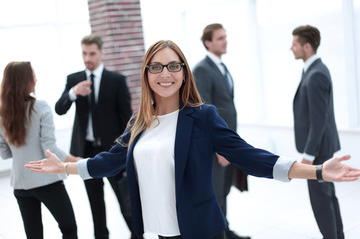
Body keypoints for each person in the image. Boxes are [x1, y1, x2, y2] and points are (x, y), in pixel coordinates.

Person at [25, 40, 360, 239]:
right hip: (161, 231)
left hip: (201, 231)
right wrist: (66, 168)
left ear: (184, 72)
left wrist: (316, 171)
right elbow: (109, 160)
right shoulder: (140, 122)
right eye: (156, 67)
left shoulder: (202, 116)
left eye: (173, 66)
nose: (165, 74)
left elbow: (253, 157)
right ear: (146, 74)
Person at [54, 34, 139, 239]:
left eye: (92, 53)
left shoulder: (116, 80)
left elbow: (127, 119)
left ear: (101, 53)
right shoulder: (74, 79)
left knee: (124, 200)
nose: (87, 58)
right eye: (84, 53)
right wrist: (74, 92)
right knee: (95, 203)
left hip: (113, 151)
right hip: (86, 151)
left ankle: (137, 235)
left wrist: (128, 150)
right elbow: (59, 109)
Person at [0, 61, 79, 239]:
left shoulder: (2, 113)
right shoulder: (40, 107)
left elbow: (5, 153)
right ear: (26, 80)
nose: (36, 78)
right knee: (68, 228)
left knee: (34, 235)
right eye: (32, 75)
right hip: (47, 180)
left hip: (20, 184)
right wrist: (76, 161)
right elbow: (49, 149)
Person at [192, 23, 249, 239]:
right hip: (216, 146)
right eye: (219, 38)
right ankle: (216, 232)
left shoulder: (221, 67)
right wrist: (219, 148)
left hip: (227, 141)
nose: (225, 41)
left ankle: (224, 229)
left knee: (224, 189)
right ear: (208, 42)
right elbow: (205, 111)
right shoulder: (202, 69)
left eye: (225, 37)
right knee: (215, 191)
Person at [291, 25, 344, 239]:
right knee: (328, 197)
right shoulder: (315, 70)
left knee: (322, 201)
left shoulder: (316, 75)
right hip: (322, 148)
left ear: (307, 46)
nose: (291, 48)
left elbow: (318, 119)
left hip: (318, 151)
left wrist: (308, 157)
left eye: (294, 44)